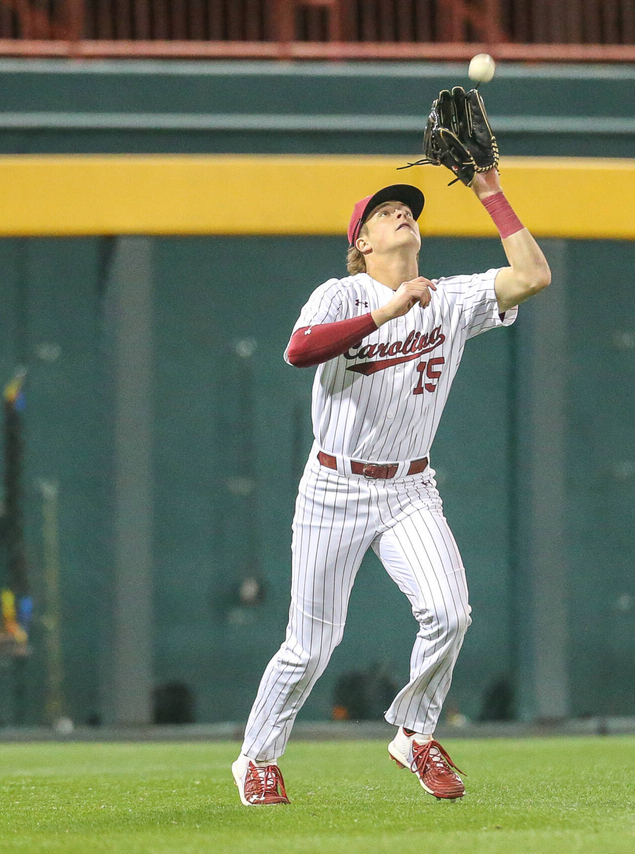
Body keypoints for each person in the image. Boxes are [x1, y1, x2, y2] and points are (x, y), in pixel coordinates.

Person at [233, 167, 550, 805]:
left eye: (408, 209)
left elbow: (534, 276)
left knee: (450, 612)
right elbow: (299, 351)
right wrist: (387, 308)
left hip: (409, 488)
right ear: (364, 245)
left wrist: (489, 189)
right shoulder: (340, 294)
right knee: (310, 646)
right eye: (384, 213)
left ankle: (416, 734)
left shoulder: (451, 298)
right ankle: (256, 760)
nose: (401, 213)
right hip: (334, 487)